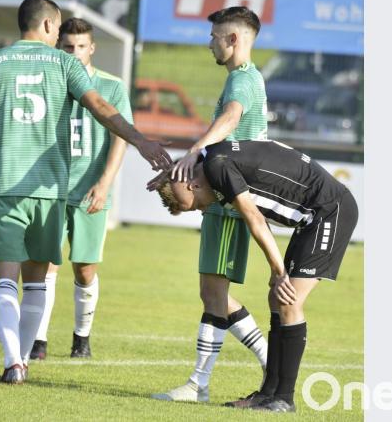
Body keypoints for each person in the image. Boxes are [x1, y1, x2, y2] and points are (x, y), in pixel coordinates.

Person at [0, 0, 171, 384]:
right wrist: (140, 141)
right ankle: (22, 360)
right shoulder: (65, 64)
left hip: (4, 187)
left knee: (4, 279)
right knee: (37, 280)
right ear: (51, 26)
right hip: (52, 191)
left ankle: (13, 362)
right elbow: (100, 106)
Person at [154, 139, 359, 412]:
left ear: (193, 184)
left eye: (194, 204)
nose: (202, 209)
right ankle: (267, 395)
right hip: (312, 217)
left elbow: (254, 218)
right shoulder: (212, 158)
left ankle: (283, 399)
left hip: (330, 211)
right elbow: (257, 212)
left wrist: (279, 270)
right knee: (278, 299)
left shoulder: (217, 167)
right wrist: (278, 272)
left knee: (289, 301)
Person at [149, 6, 270, 403]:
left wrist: (195, 147)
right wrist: (175, 173)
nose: (209, 43)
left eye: (215, 36)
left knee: (214, 295)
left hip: (228, 199)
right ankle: (272, 362)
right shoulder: (245, 78)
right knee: (213, 294)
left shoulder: (242, 82)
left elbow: (232, 119)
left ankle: (198, 385)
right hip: (227, 196)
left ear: (233, 39)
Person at [29, 18, 132, 361]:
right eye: (67, 47)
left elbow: (121, 138)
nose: (74, 54)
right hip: (52, 190)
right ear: (59, 48)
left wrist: (104, 183)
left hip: (91, 192)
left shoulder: (111, 86)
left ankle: (81, 339)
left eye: (80, 47)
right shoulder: (48, 83)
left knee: (85, 269)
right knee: (45, 265)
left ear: (92, 48)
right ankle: (38, 340)